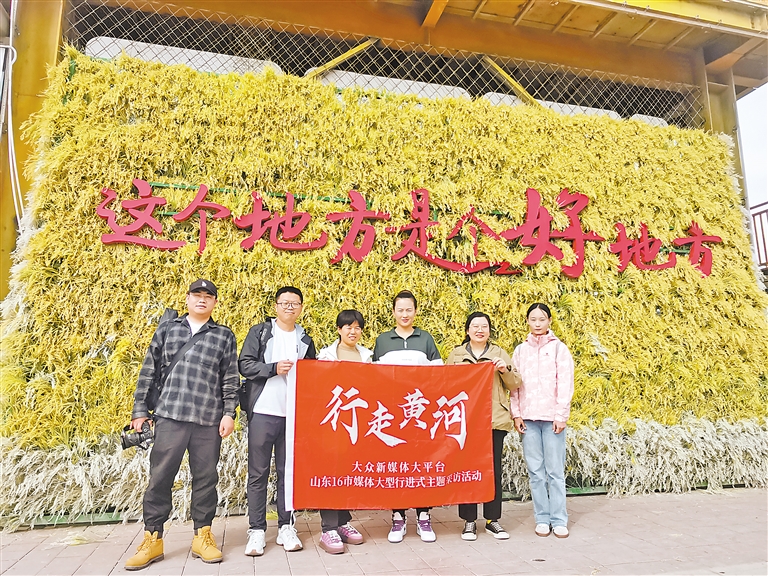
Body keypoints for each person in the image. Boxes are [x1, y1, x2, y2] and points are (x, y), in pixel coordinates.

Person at [125, 279, 240, 571]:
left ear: (214, 302)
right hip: (170, 415)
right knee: (160, 477)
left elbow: (230, 377)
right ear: (187, 299)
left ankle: (202, 536)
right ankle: (153, 539)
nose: (202, 299)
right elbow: (149, 370)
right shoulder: (168, 329)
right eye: (197, 295)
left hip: (207, 420)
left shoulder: (223, 335)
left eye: (208, 296)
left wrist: (229, 413)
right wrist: (140, 410)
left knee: (206, 479)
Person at [239, 286, 317, 557]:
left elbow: (313, 374)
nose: (289, 307)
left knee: (288, 473)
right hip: (263, 411)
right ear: (276, 306)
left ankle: (287, 526)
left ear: (301, 307)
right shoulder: (260, 332)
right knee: (258, 473)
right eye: (285, 303)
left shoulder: (304, 338)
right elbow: (245, 364)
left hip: (293, 415)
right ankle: (256, 530)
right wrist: (272, 369)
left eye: (295, 303)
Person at [373, 290, 443, 543]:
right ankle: (398, 517)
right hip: (393, 416)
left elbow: (439, 375)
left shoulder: (426, 339)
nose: (405, 314)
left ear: (415, 311)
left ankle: (424, 516)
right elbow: (372, 376)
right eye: (400, 310)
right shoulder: (383, 341)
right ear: (393, 312)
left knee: (422, 464)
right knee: (397, 464)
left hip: (421, 415)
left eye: (409, 310)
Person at [445, 312, 522, 541]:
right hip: (466, 421)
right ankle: (469, 520)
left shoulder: (499, 353)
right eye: (475, 326)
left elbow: (515, 383)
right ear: (467, 330)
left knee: (492, 471)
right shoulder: (457, 355)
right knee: (467, 470)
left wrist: (504, 370)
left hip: (493, 420)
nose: (480, 330)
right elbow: (445, 383)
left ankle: (492, 520)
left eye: (484, 326)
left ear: (489, 331)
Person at [511, 303, 575, 539]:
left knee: (555, 471)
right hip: (528, 420)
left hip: (551, 420)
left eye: (542, 319)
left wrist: (561, 416)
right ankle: (542, 518)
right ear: (527, 321)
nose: (537, 324)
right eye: (533, 319)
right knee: (536, 472)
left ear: (549, 321)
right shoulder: (520, 351)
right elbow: (514, 385)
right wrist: (516, 413)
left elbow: (565, 383)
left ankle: (559, 519)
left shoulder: (559, 349)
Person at [315, 309, 371, 554]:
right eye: (348, 327)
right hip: (333, 421)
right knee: (330, 471)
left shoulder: (367, 356)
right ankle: (328, 528)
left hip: (357, 423)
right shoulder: (325, 356)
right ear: (339, 329)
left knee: (348, 471)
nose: (353, 331)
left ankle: (343, 522)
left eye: (357, 327)